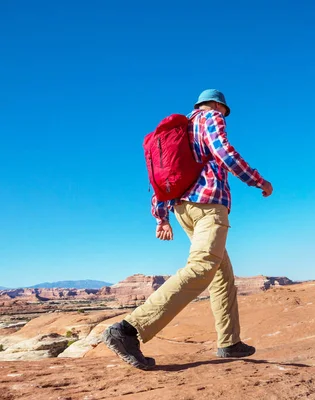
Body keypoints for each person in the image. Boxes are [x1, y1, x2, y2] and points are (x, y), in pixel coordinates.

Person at [102, 89, 273, 370]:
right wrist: (257, 180)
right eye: (223, 110)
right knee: (202, 266)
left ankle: (229, 342)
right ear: (218, 105)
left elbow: (162, 177)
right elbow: (223, 151)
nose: (223, 114)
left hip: (182, 209)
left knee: (221, 275)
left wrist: (161, 218)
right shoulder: (211, 117)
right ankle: (127, 330)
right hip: (208, 205)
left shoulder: (177, 131)